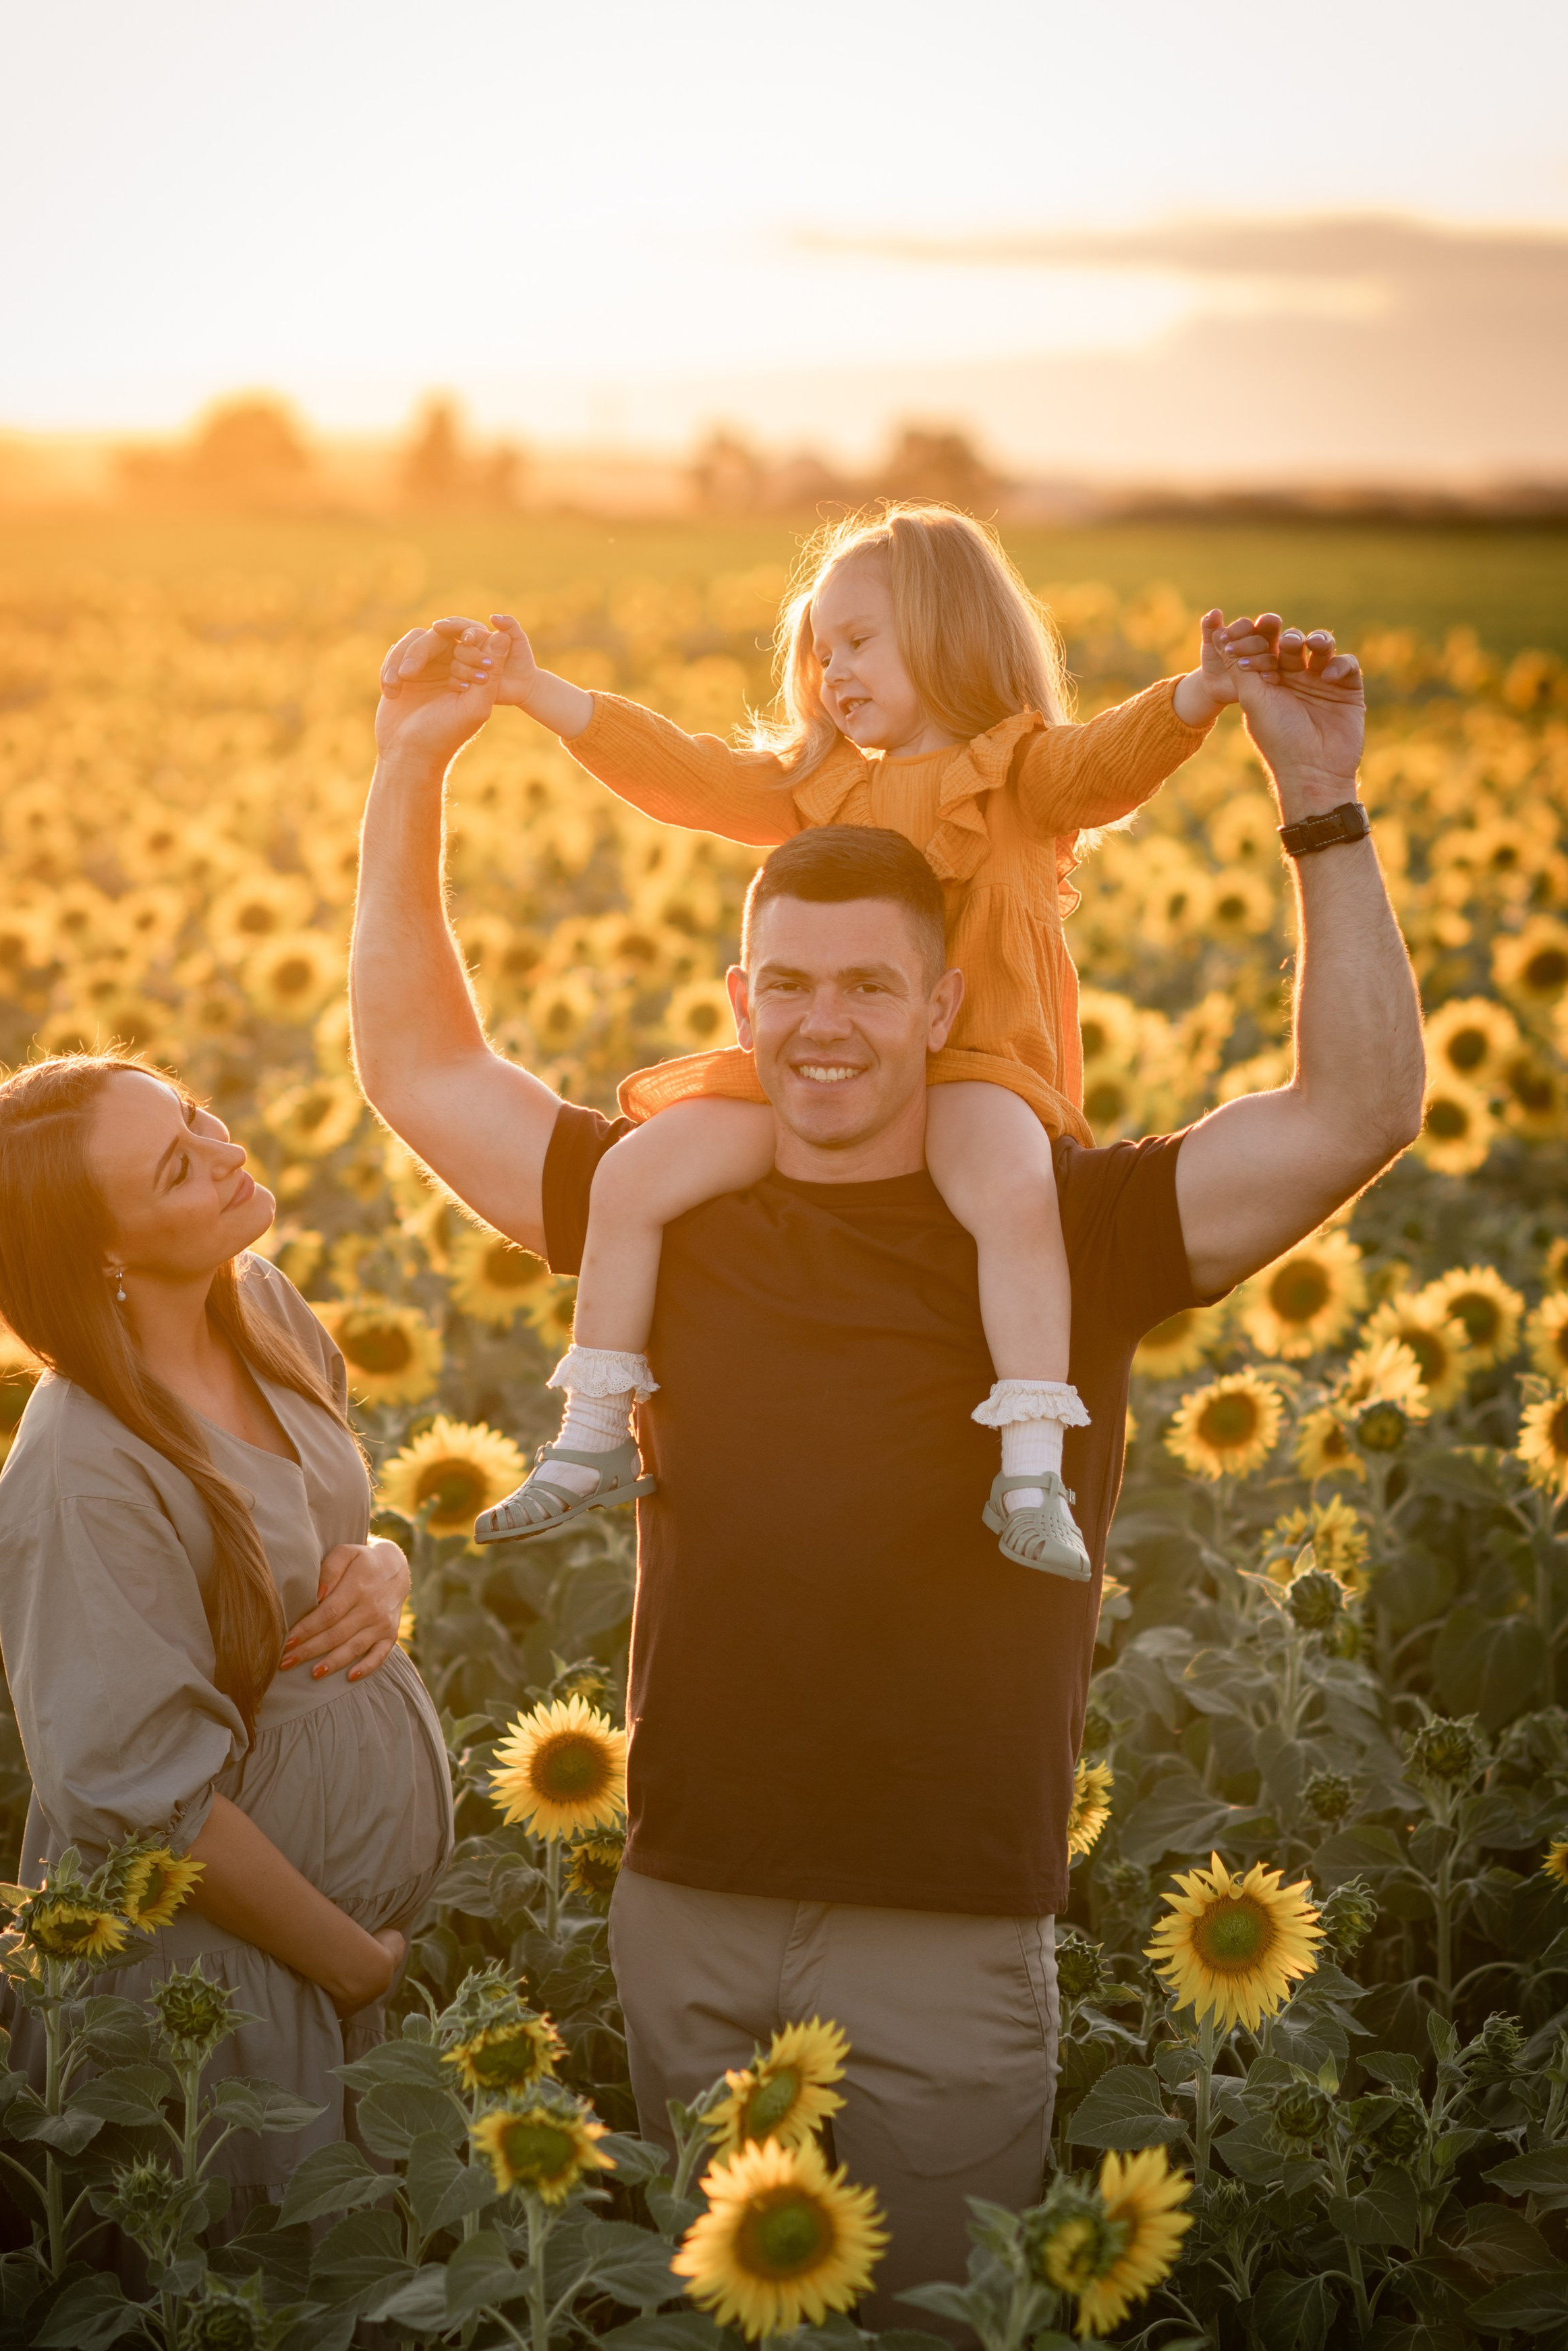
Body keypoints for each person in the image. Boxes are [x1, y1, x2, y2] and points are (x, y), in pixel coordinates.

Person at [350, 608, 1423, 2315]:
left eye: (867, 985)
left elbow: (1352, 1109)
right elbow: (421, 1070)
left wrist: (1318, 803)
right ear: (737, 998)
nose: (822, 1025)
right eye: (788, 984)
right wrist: (412, 765)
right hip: (686, 1895)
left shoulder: (1069, 1226)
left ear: (942, 999)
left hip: (943, 1919)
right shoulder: (675, 1203)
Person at [391, 507, 1247, 1580]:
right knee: (636, 1173)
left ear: (948, 630)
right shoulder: (821, 784)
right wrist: (537, 691)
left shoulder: (1020, 774)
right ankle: (596, 1433)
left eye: (860, 642)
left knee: (1015, 1194)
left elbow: (1107, 764)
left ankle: (1032, 1471)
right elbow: (692, 777)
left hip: (976, 1065)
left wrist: (1198, 697)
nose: (833, 670)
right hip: (820, 1076)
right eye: (822, 648)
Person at [0, 1054, 453, 2208]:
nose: (228, 1152)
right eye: (179, 1168)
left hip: (319, 1949)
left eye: (194, 1116)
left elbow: (325, 1527)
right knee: (256, 2327)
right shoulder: (80, 1472)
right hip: (213, 1984)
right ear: (105, 1254)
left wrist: (385, 1569)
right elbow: (147, 1797)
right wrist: (347, 1959)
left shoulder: (261, 1300)